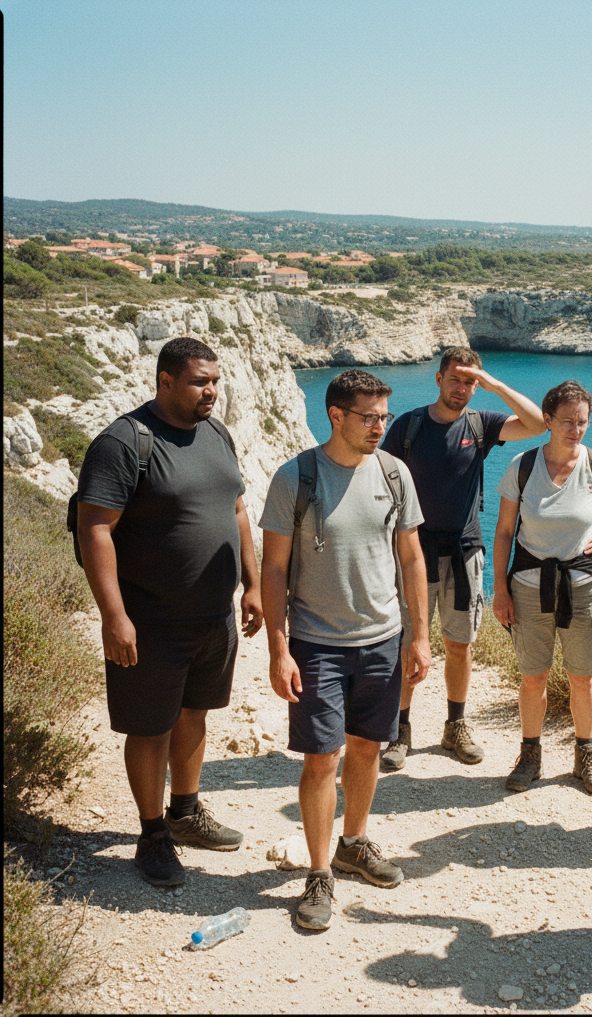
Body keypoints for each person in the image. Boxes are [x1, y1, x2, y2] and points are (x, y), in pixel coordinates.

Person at [76, 337, 262, 887]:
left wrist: (252, 584)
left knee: (195, 714)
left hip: (213, 616)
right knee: (150, 727)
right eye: (200, 381)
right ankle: (152, 832)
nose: (212, 391)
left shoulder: (217, 432)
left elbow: (236, 509)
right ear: (165, 381)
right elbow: (95, 529)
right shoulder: (122, 442)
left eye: (216, 381)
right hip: (150, 619)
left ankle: (185, 812)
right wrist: (114, 615)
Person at [260, 369, 431, 932]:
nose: (380, 425)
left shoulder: (394, 473)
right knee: (321, 758)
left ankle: (352, 845)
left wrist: (421, 635)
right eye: (369, 417)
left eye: (384, 414)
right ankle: (317, 873)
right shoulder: (296, 478)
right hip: (317, 645)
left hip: (381, 641)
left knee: (366, 750)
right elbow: (275, 569)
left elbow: (410, 558)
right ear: (336, 416)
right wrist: (278, 650)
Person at [379, 347, 545, 770]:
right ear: (438, 379)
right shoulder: (409, 426)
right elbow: (379, 476)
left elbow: (538, 423)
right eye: (455, 379)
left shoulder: (481, 424)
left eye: (470, 381)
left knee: (459, 643)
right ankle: (400, 730)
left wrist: (495, 385)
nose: (462, 388)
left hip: (464, 552)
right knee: (405, 643)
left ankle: (455, 725)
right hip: (412, 552)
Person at [492, 380, 592, 795]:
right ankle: (530, 754)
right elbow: (504, 532)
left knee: (582, 676)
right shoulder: (523, 466)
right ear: (548, 420)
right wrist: (500, 590)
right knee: (533, 676)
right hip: (527, 584)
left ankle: (586, 752)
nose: (575, 430)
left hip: (582, 585)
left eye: (582, 422)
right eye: (567, 421)